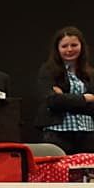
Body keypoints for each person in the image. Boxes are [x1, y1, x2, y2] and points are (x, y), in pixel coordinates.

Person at [34, 25, 94, 154]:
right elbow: (52, 101)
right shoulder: (48, 71)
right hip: (58, 134)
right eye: (64, 46)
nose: (69, 49)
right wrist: (85, 98)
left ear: (82, 46)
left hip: (87, 133)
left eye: (74, 45)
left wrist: (65, 98)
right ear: (57, 49)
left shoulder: (90, 73)